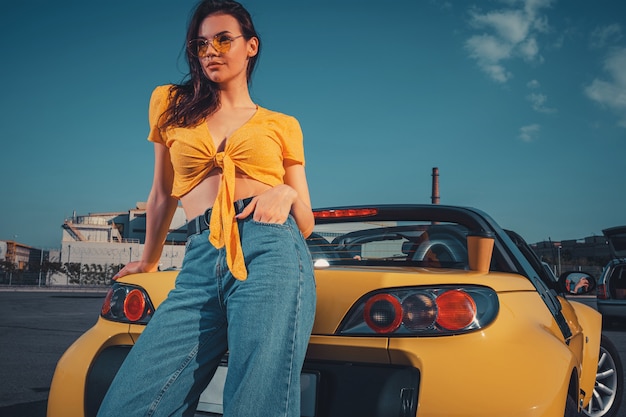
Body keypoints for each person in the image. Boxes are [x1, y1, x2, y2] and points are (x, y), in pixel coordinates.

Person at [97, 1, 316, 416]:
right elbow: (162, 193)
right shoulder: (170, 102)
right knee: (131, 403)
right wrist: (149, 260)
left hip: (271, 251)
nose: (210, 50)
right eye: (201, 44)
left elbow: (306, 219)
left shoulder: (282, 124)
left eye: (222, 39)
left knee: (256, 402)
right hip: (200, 257)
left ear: (251, 46)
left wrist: (286, 195)